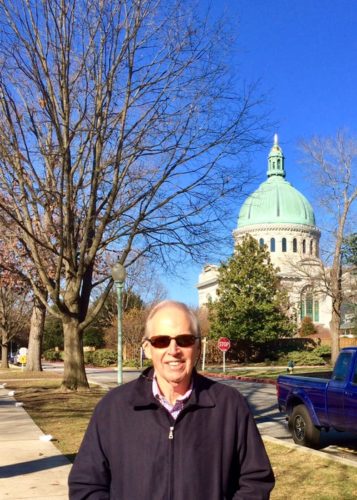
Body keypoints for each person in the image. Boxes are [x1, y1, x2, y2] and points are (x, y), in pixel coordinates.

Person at [68, 300, 275, 499]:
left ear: (197, 347)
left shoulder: (230, 406)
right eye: (161, 341)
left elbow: (255, 480)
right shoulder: (113, 409)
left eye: (184, 340)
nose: (173, 350)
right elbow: (86, 485)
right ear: (147, 348)